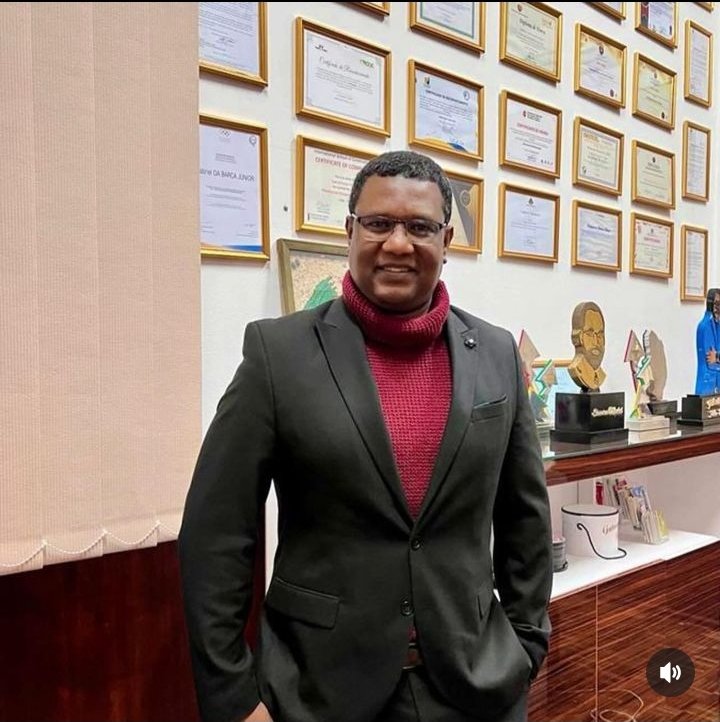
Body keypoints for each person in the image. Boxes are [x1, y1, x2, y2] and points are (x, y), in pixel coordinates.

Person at [178, 151, 553, 722]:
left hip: (476, 687)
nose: (398, 243)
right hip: (319, 692)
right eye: (379, 223)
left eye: (419, 227)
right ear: (349, 231)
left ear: (446, 239)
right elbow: (217, 534)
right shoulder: (279, 355)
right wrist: (233, 698)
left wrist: (526, 644)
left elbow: (525, 516)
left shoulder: (496, 353)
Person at [567, 301, 607, 391]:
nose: (596, 342)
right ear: (579, 337)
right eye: (589, 334)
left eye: (600, 335)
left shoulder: (601, 376)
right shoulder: (578, 370)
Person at [695, 288, 720, 394]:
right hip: (709, 382)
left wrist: (717, 357)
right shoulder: (705, 327)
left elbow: (714, 358)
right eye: (717, 304)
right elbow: (710, 360)